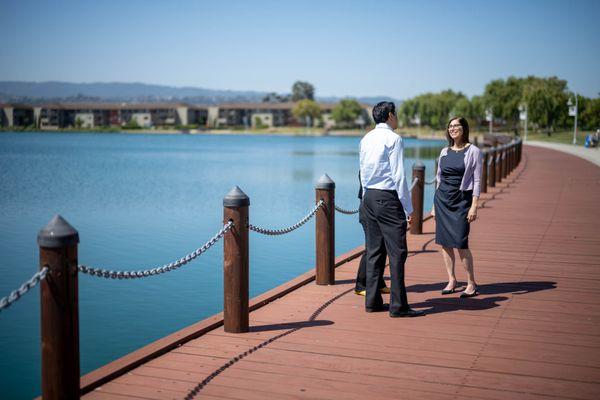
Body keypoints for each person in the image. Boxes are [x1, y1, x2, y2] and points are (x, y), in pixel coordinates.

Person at [359, 101, 423, 317]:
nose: (397, 118)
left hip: (369, 196)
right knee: (397, 253)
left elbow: (363, 170)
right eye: (395, 115)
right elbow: (398, 175)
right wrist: (409, 208)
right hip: (387, 198)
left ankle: (373, 302)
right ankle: (398, 306)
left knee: (374, 251)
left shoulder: (366, 138)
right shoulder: (394, 139)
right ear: (389, 116)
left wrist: (367, 197)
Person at [431, 117, 482, 298]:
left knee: (461, 243)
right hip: (442, 201)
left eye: (456, 126)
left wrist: (474, 206)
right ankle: (451, 279)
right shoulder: (444, 151)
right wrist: (434, 205)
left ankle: (471, 282)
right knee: (445, 243)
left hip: (461, 201)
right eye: (450, 126)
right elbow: (438, 179)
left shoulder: (474, 151)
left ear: (464, 128)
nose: (452, 129)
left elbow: (476, 181)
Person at [354, 172, 389, 296]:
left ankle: (379, 282)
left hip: (381, 208)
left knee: (383, 246)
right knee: (372, 248)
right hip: (368, 210)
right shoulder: (367, 164)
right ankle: (360, 285)